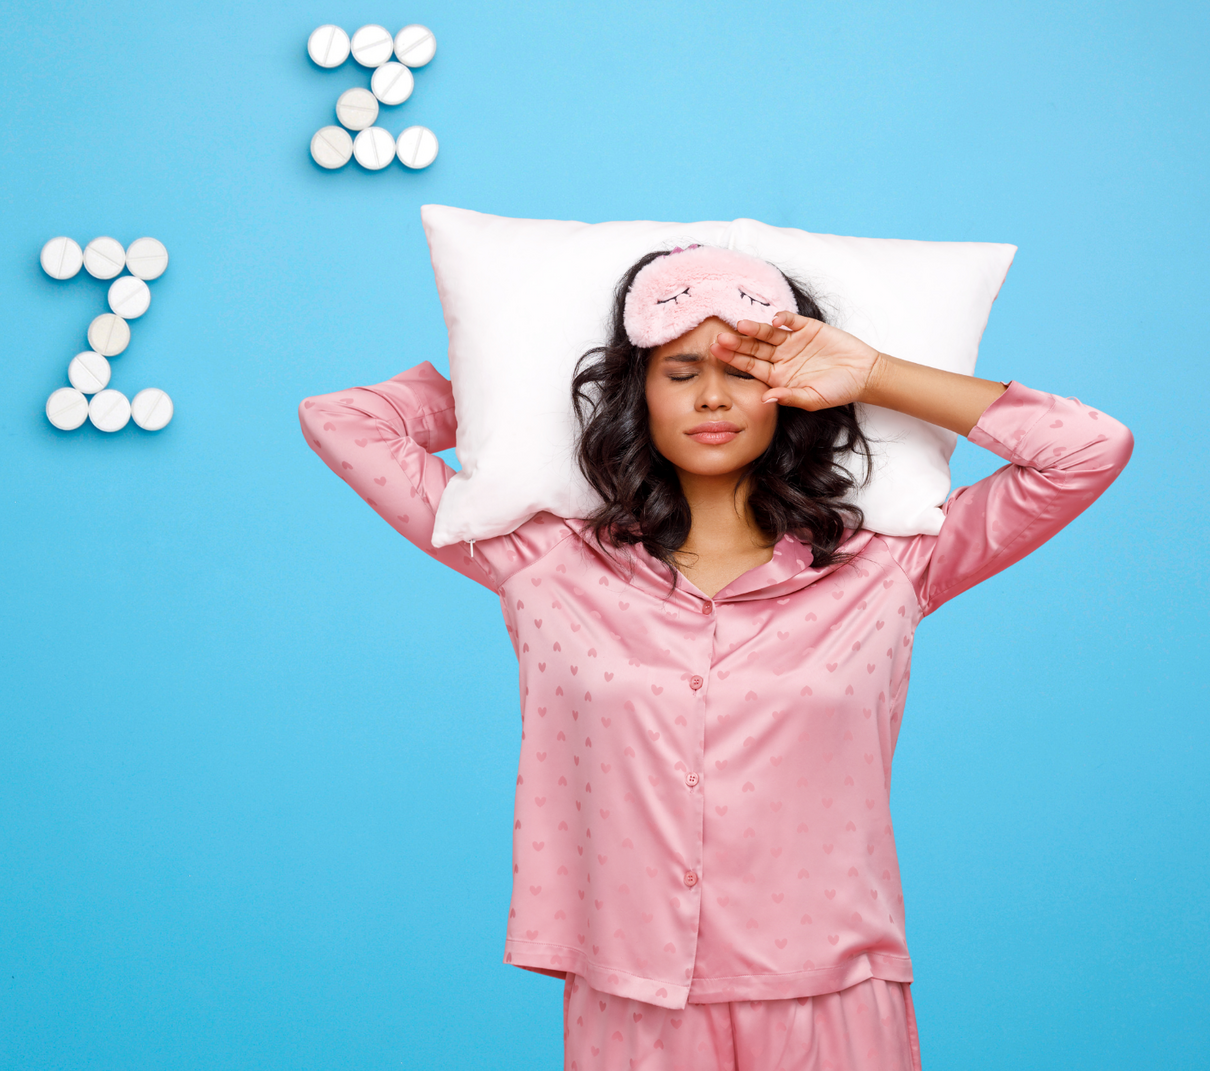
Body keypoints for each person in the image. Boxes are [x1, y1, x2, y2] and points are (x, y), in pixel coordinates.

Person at [298, 245, 1133, 1070]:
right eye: (679, 370)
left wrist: (872, 371)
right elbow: (343, 422)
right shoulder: (545, 564)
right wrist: (519, 367)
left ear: (785, 393)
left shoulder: (892, 568)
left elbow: (1087, 448)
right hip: (634, 998)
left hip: (833, 993)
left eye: (742, 368)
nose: (711, 397)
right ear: (638, 392)